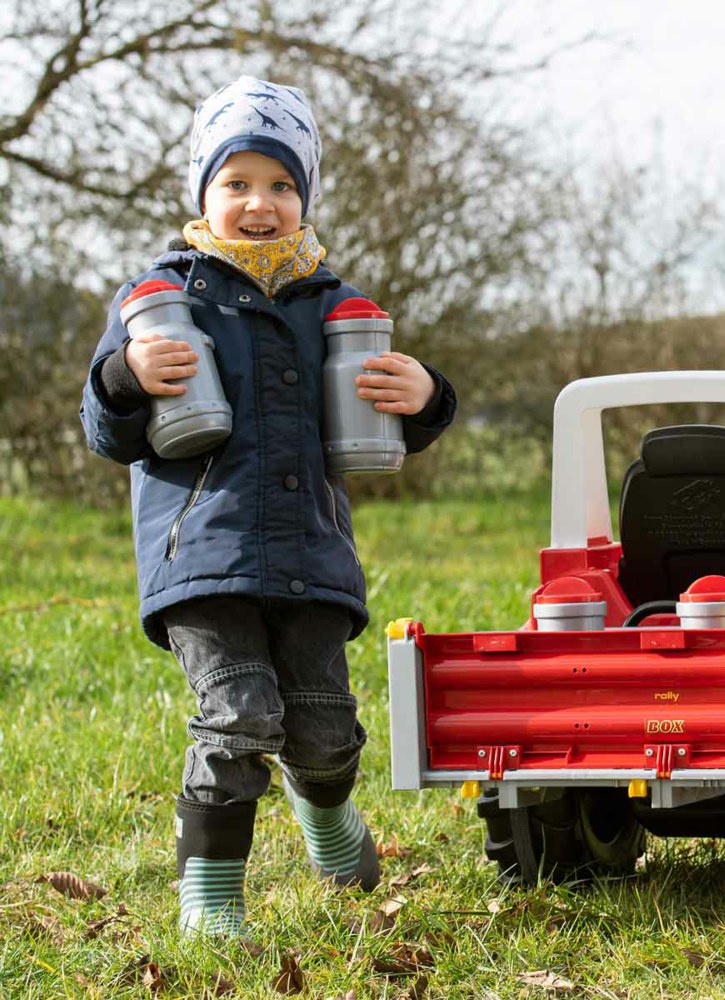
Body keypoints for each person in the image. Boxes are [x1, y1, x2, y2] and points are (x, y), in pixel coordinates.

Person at [80, 76, 456, 937]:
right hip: (202, 555)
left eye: (282, 184)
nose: (261, 203)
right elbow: (106, 428)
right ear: (203, 194)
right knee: (238, 714)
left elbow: (392, 426)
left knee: (326, 734)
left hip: (312, 555)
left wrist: (426, 393)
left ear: (306, 197)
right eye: (237, 182)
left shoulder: (334, 301)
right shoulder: (161, 298)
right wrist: (125, 378)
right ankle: (212, 900)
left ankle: (328, 818)